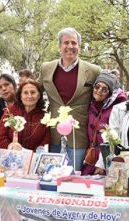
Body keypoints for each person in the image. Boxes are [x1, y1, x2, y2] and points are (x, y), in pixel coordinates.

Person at [40, 27, 101, 171]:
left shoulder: (93, 71)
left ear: (79, 46)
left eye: (74, 43)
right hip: (53, 132)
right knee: (52, 174)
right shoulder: (46, 68)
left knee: (75, 175)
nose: (70, 47)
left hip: (79, 134)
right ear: (60, 46)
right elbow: (34, 92)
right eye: (66, 43)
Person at [82, 72, 127, 175]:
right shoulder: (92, 105)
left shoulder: (116, 109)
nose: (99, 91)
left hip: (106, 158)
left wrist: (102, 164)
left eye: (104, 89)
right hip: (90, 157)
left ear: (110, 93)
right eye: (97, 87)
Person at [0, 79, 51, 151]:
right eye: (25, 93)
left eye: (33, 92)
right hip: (11, 157)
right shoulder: (10, 111)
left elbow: (46, 142)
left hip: (33, 159)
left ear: (39, 95)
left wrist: (29, 154)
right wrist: (10, 146)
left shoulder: (45, 117)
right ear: (20, 95)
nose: (29, 96)